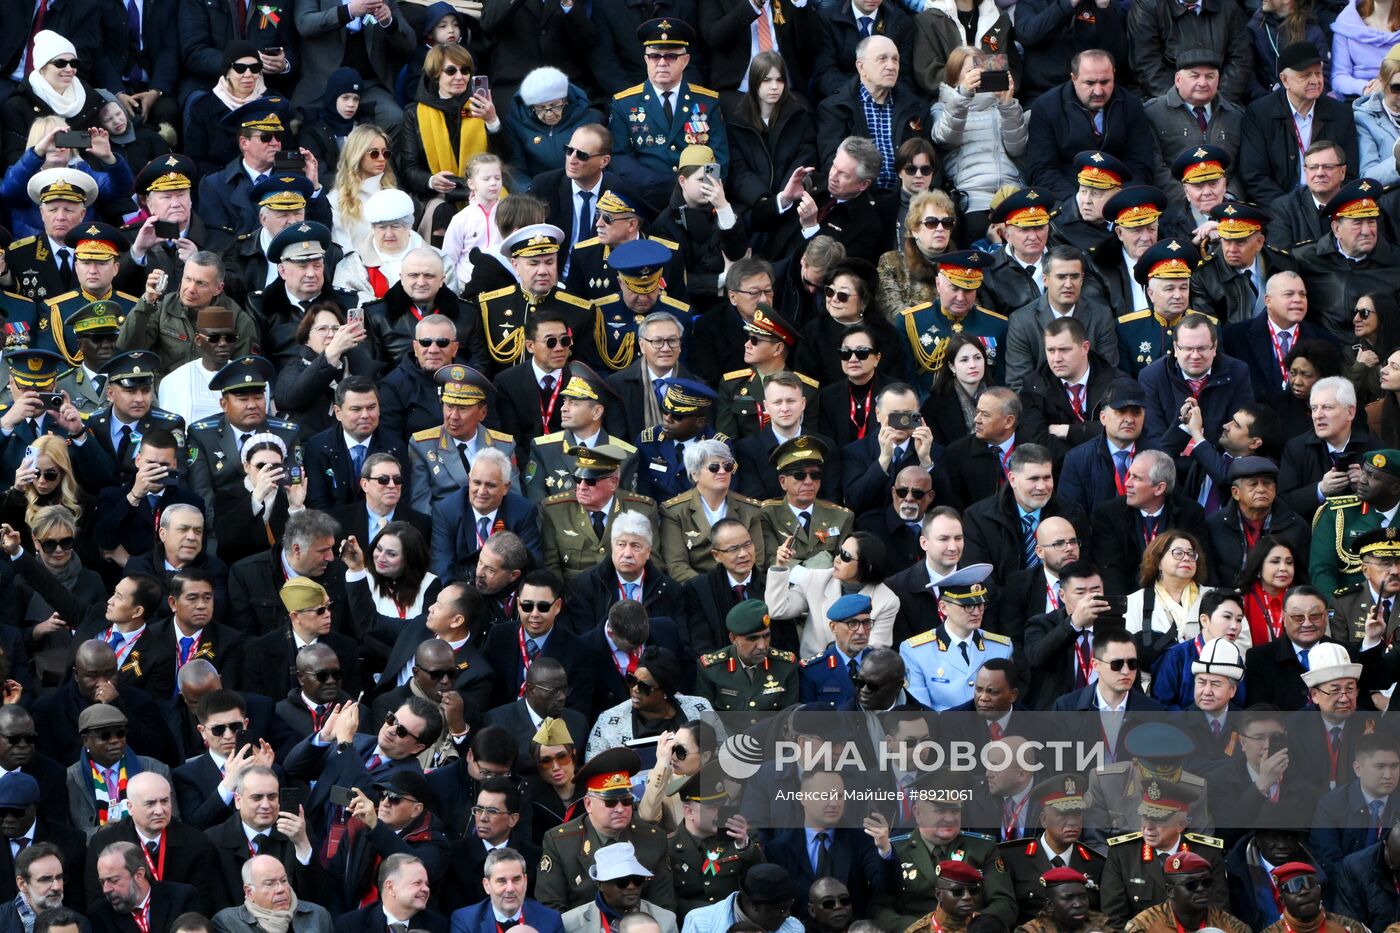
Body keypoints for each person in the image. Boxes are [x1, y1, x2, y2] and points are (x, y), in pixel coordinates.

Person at [536, 747, 676, 913]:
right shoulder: (560, 842)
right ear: (588, 804)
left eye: (626, 801)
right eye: (610, 802)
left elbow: (664, 906)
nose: (620, 809)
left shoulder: (653, 839)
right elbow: (551, 908)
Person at [1024, 50, 1155, 202]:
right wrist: (1077, 202)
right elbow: (1042, 169)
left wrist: (1119, 200)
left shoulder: (1130, 105)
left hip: (1121, 199)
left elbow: (1140, 164)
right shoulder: (1047, 107)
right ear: (1074, 79)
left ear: (1113, 74)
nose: (1098, 91)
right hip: (1068, 200)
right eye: (1090, 83)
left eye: (1105, 82)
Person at [1239, 42, 1360, 207]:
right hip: (1278, 209)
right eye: (1305, 75)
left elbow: (1349, 174)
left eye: (1318, 73)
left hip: (1328, 207)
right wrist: (1289, 209)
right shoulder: (1260, 113)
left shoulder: (1340, 114)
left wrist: (1325, 206)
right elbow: (1254, 177)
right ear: (1285, 80)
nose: (1315, 81)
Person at [930, 48, 1028, 242]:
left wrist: (1007, 105)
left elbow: (1017, 148)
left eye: (982, 68)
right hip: (973, 198)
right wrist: (963, 96)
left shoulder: (1004, 106)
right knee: (977, 231)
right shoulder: (943, 107)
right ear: (955, 78)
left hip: (1011, 193)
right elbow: (945, 138)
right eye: (970, 70)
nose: (978, 74)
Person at [816, 36, 924, 190]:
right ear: (861, 67)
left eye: (895, 59)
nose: (891, 66)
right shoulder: (834, 109)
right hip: (858, 196)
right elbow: (832, 166)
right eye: (882, 59)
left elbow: (929, 159)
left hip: (907, 197)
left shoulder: (915, 107)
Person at [725, 53, 819, 216]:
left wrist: (785, 196)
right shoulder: (736, 122)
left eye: (780, 80)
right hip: (752, 206)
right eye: (766, 80)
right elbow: (738, 171)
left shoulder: (800, 117)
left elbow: (805, 158)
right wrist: (767, 201)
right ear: (754, 82)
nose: (774, 86)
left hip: (792, 204)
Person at [0, 33, 104, 166]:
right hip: (36, 175)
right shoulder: (18, 105)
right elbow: (13, 156)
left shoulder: (89, 99)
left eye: (74, 63)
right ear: (42, 67)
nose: (69, 69)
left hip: (83, 174)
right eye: (60, 63)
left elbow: (94, 149)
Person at [504, 67, 604, 188]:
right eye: (541, 108)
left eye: (555, 105)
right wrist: (530, 192)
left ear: (566, 100)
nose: (549, 114)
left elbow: (601, 162)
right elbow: (516, 168)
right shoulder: (516, 123)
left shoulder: (590, 118)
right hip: (539, 190)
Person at [184, 45, 272, 176]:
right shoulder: (202, 107)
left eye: (255, 68)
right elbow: (195, 160)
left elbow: (284, 153)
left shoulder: (274, 104)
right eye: (240, 68)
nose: (248, 74)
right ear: (227, 72)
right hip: (219, 181)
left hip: (265, 180)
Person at [86, 841, 198, 933]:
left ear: (139, 875)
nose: (106, 889)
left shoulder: (182, 898)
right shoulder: (99, 915)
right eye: (102, 882)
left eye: (114, 880)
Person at [209, 854, 336, 933]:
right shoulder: (228, 922)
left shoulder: (318, 916)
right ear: (249, 892)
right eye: (269, 884)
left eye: (284, 881)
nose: (281, 889)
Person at [876, 190, 954, 319]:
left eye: (947, 222)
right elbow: (893, 312)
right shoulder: (892, 262)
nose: (940, 228)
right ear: (914, 230)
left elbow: (974, 309)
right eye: (931, 222)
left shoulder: (961, 265)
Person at [449, 847, 564, 933]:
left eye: (516, 879)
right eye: (502, 881)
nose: (510, 888)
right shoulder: (465, 921)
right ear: (487, 885)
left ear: (525, 881)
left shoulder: (551, 920)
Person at [329, 126, 397, 257]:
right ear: (357, 154)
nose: (382, 158)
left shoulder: (392, 193)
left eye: (385, 153)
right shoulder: (337, 199)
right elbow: (345, 252)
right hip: (357, 266)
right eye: (374, 153)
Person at [1259, 862, 1370, 933]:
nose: (1304, 891)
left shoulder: (1349, 928)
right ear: (1282, 900)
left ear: (1319, 890)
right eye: (1293, 887)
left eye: (1309, 883)